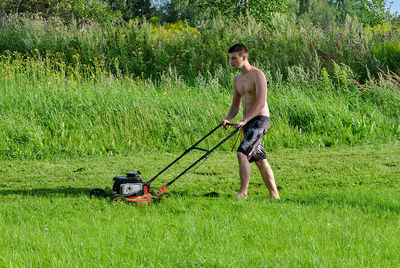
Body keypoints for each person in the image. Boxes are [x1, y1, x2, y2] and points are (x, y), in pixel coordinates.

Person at [221, 44, 280, 199]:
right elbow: (235, 105)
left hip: (260, 121)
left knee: (242, 153)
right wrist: (228, 118)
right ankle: (275, 196)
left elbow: (261, 103)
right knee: (260, 160)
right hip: (247, 123)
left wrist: (244, 120)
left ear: (244, 57)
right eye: (230, 59)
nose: (231, 62)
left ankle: (243, 193)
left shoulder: (258, 75)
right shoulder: (236, 80)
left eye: (234, 58)